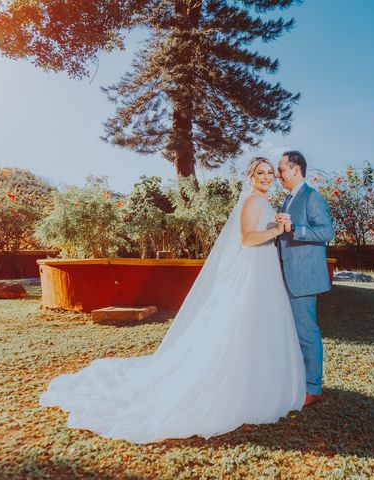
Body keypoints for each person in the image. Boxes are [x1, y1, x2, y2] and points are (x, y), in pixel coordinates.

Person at [39, 157, 307, 444]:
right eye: (260, 173)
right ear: (250, 177)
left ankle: (255, 381)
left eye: (269, 173)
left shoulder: (263, 202)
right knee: (242, 324)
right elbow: (246, 238)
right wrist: (276, 231)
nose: (266, 177)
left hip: (262, 270)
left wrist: (279, 228)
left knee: (255, 325)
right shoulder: (252, 201)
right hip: (252, 271)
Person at [276, 151, 335, 407]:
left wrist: (294, 229)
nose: (278, 175)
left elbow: (327, 232)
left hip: (303, 277)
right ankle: (298, 380)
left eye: (281, 169)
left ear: (295, 169)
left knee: (307, 332)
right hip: (285, 275)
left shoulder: (313, 197)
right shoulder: (287, 200)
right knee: (291, 332)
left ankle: (313, 388)